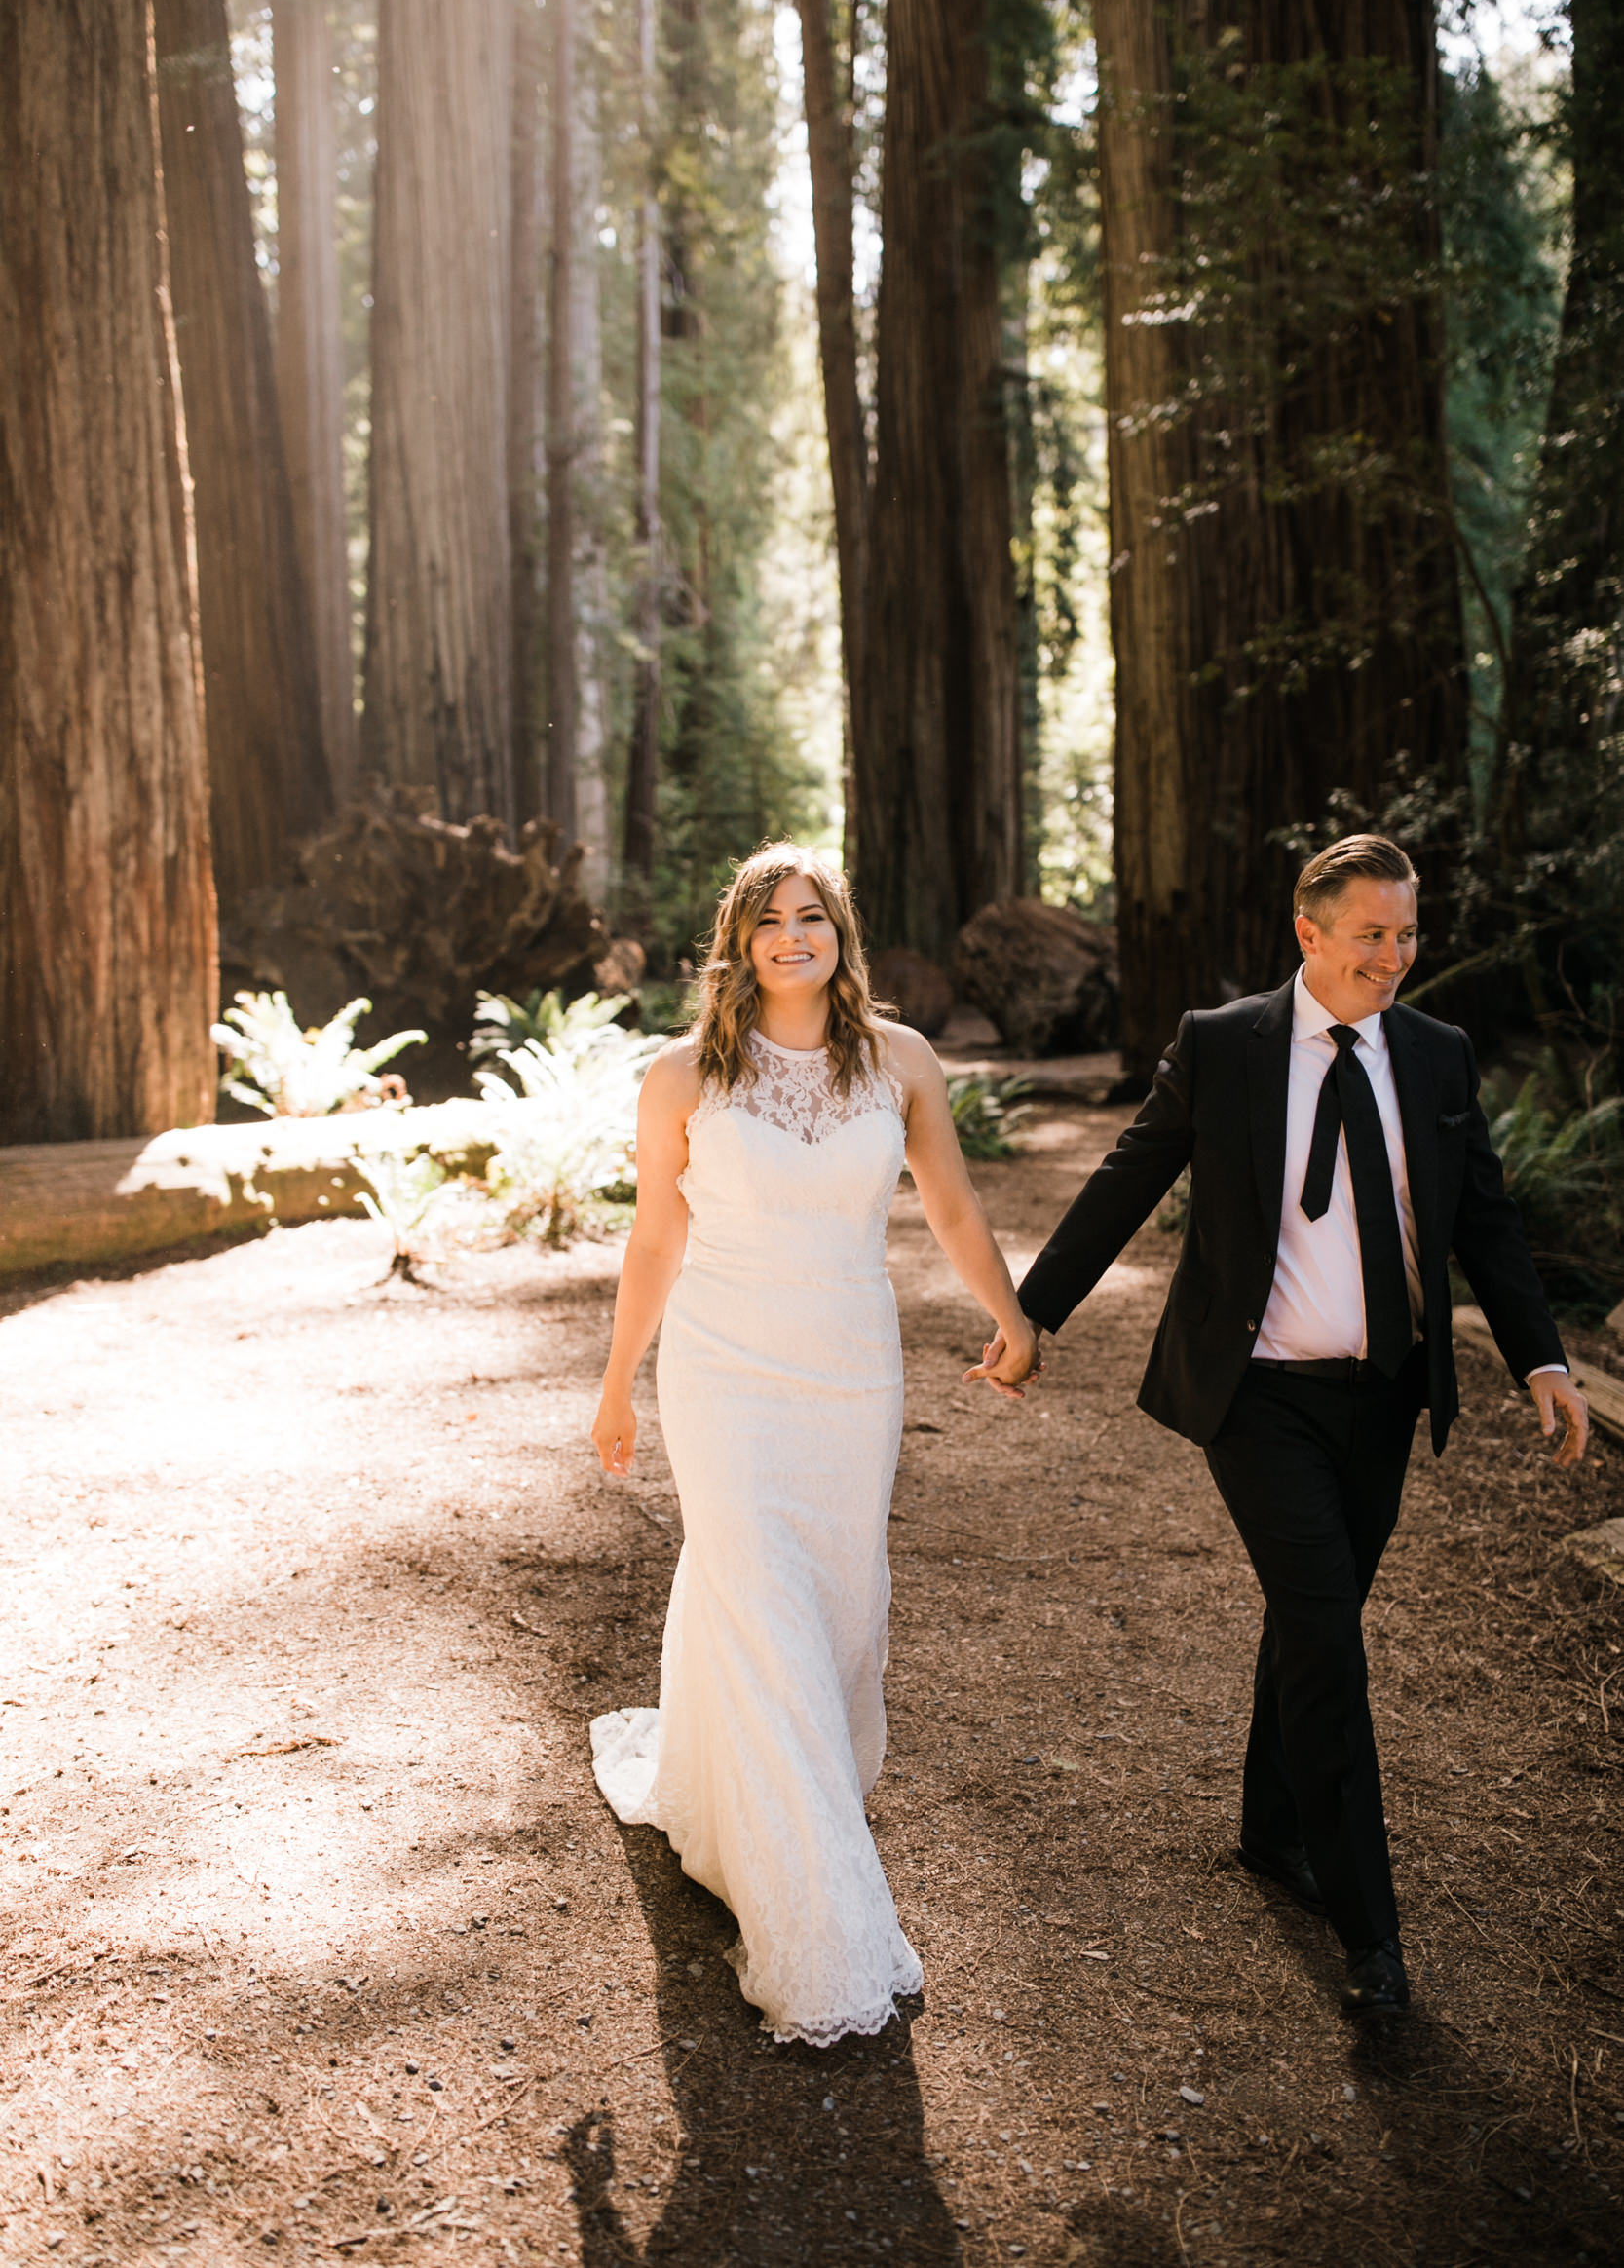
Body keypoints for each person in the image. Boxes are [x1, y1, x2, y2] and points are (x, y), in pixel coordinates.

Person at [984, 833, 1589, 2017]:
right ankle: (1372, 1939)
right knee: (1327, 1632)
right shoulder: (1226, 1047)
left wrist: (1541, 1358)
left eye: (1407, 933)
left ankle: (1270, 1830)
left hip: (1384, 1394)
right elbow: (1127, 1175)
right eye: (1372, 933)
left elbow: (1483, 1222)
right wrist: (1029, 1314)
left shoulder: (1435, 1054)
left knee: (1315, 1618)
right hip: (1255, 1396)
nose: (1395, 955)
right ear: (1307, 933)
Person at [587, 843, 1038, 2046]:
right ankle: (812, 1915)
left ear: (841, 932)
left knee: (831, 1606)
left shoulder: (900, 1062)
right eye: (770, 919)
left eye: (813, 916)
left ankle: (759, 1804)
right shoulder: (681, 1075)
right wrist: (618, 1382)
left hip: (848, 1373)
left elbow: (948, 1204)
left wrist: (1008, 1315)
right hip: (722, 1373)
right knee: (758, 1597)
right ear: (738, 942)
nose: (793, 935)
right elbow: (650, 1244)